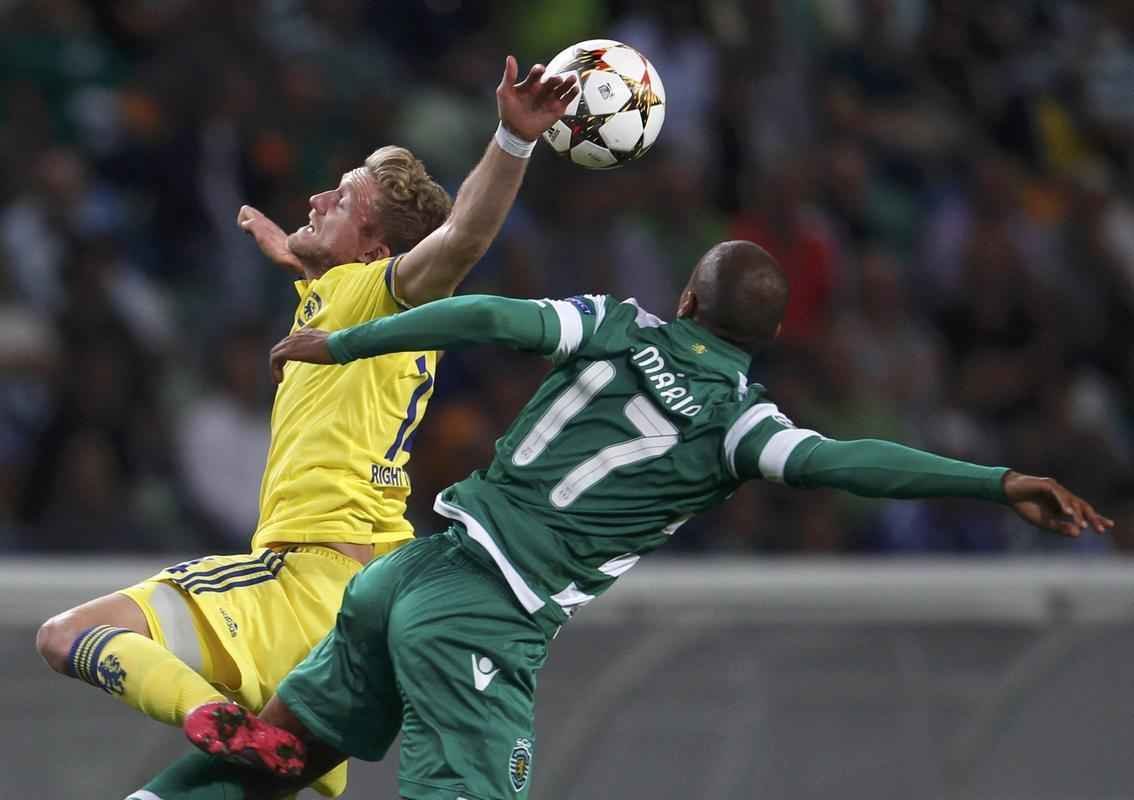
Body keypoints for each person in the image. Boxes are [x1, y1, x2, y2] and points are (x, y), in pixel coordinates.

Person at [144, 240, 1112, 800]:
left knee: (276, 753)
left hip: (412, 571)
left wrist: (348, 340)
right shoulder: (743, 420)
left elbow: (487, 319)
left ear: (687, 298)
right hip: (482, 619)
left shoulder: (612, 320)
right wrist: (996, 480)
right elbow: (846, 463)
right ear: (765, 341)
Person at [35, 55, 579, 799]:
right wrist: (299, 260)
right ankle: (249, 741)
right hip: (359, 612)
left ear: (377, 249)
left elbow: (458, 242)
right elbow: (345, 280)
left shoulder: (381, 290)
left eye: (344, 196)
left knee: (67, 634)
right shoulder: (348, 298)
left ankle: (213, 716)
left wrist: (513, 140)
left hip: (302, 577)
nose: (319, 196)